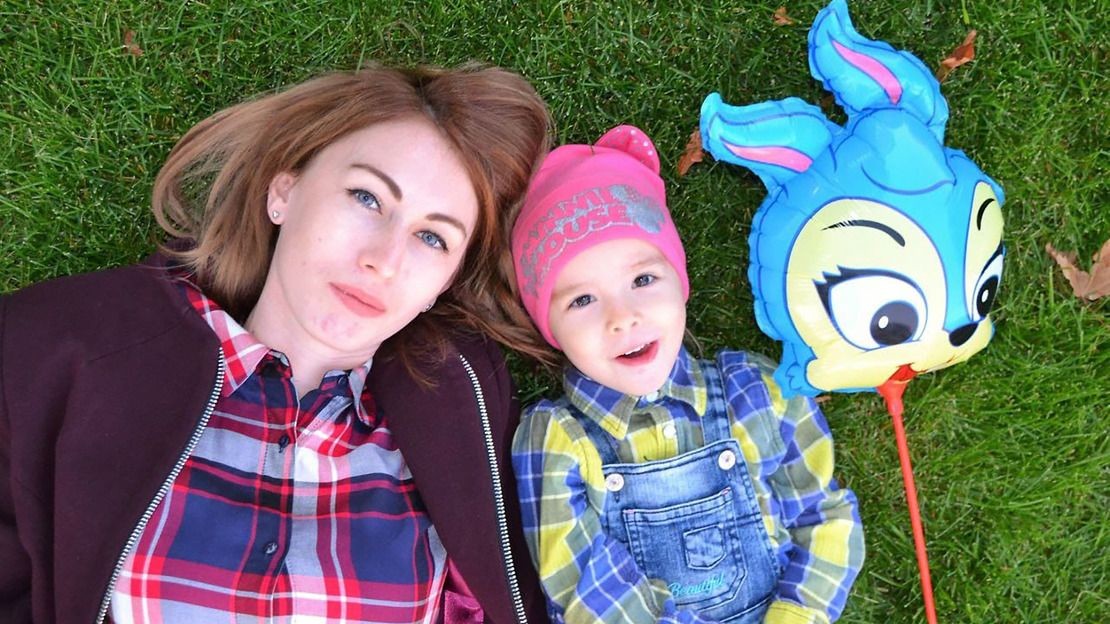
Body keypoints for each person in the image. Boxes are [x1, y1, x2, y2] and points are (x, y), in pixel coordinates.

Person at [0, 63, 553, 623]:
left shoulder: (465, 414)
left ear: (444, 285)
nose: (383, 261)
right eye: (366, 198)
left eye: (432, 237)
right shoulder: (68, 346)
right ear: (283, 192)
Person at [509, 125, 865, 624]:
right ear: (550, 327)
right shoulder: (557, 440)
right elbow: (582, 584)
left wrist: (797, 615)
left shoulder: (759, 393)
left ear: (680, 282)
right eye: (582, 300)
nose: (622, 317)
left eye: (643, 279)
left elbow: (823, 514)